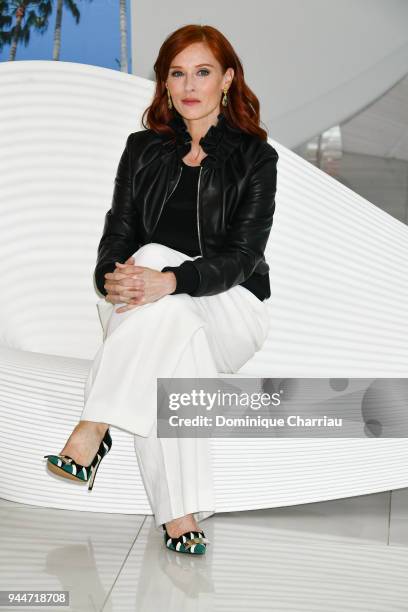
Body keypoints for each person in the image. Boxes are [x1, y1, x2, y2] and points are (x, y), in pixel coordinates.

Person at [43, 23, 279, 556]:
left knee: (155, 264)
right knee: (170, 328)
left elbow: (241, 259)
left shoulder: (255, 159)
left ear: (227, 80)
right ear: (166, 83)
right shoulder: (142, 149)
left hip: (231, 309)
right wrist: (109, 275)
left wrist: (169, 279)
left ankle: (94, 424)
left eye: (202, 72)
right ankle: (179, 514)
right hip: (140, 306)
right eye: (178, 73)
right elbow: (117, 234)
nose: (189, 85)